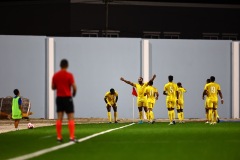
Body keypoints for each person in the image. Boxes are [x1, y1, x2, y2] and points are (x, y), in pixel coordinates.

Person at [52, 59, 77, 142]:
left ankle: (59, 137)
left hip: (59, 98)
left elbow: (53, 87)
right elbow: (74, 87)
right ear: (67, 65)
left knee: (59, 117)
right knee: (70, 117)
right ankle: (71, 136)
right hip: (67, 98)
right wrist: (73, 93)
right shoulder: (69, 75)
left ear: (60, 65)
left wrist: (59, 86)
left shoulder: (55, 75)